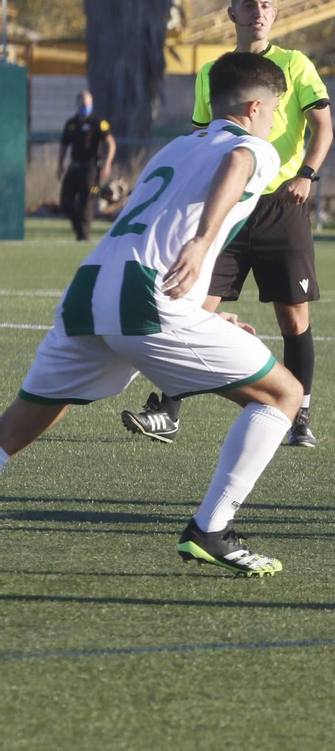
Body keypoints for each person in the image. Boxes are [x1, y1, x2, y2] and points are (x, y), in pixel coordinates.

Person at [1, 53, 305, 575]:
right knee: (283, 394)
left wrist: (203, 314)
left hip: (91, 288)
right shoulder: (255, 147)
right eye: (276, 110)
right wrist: (203, 241)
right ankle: (211, 530)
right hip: (146, 298)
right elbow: (239, 162)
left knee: (18, 425)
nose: (275, 121)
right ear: (256, 107)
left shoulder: (177, 146)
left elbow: (156, 227)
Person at [122, 0, 333, 447]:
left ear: (275, 13)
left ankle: (298, 415)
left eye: (266, 4)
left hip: (281, 206)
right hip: (230, 206)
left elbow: (324, 127)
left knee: (293, 319)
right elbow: (204, 138)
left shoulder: (295, 64)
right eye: (248, 4)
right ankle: (168, 411)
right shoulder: (213, 72)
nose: (258, 12)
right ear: (232, 14)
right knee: (190, 307)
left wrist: (307, 174)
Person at [58, 90, 116, 241]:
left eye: (89, 104)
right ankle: (79, 228)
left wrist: (107, 164)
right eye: (84, 104)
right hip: (74, 166)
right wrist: (60, 164)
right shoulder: (71, 124)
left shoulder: (98, 123)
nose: (86, 107)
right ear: (77, 104)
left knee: (86, 201)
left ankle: (83, 234)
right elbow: (64, 145)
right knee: (66, 201)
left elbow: (111, 143)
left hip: (91, 168)